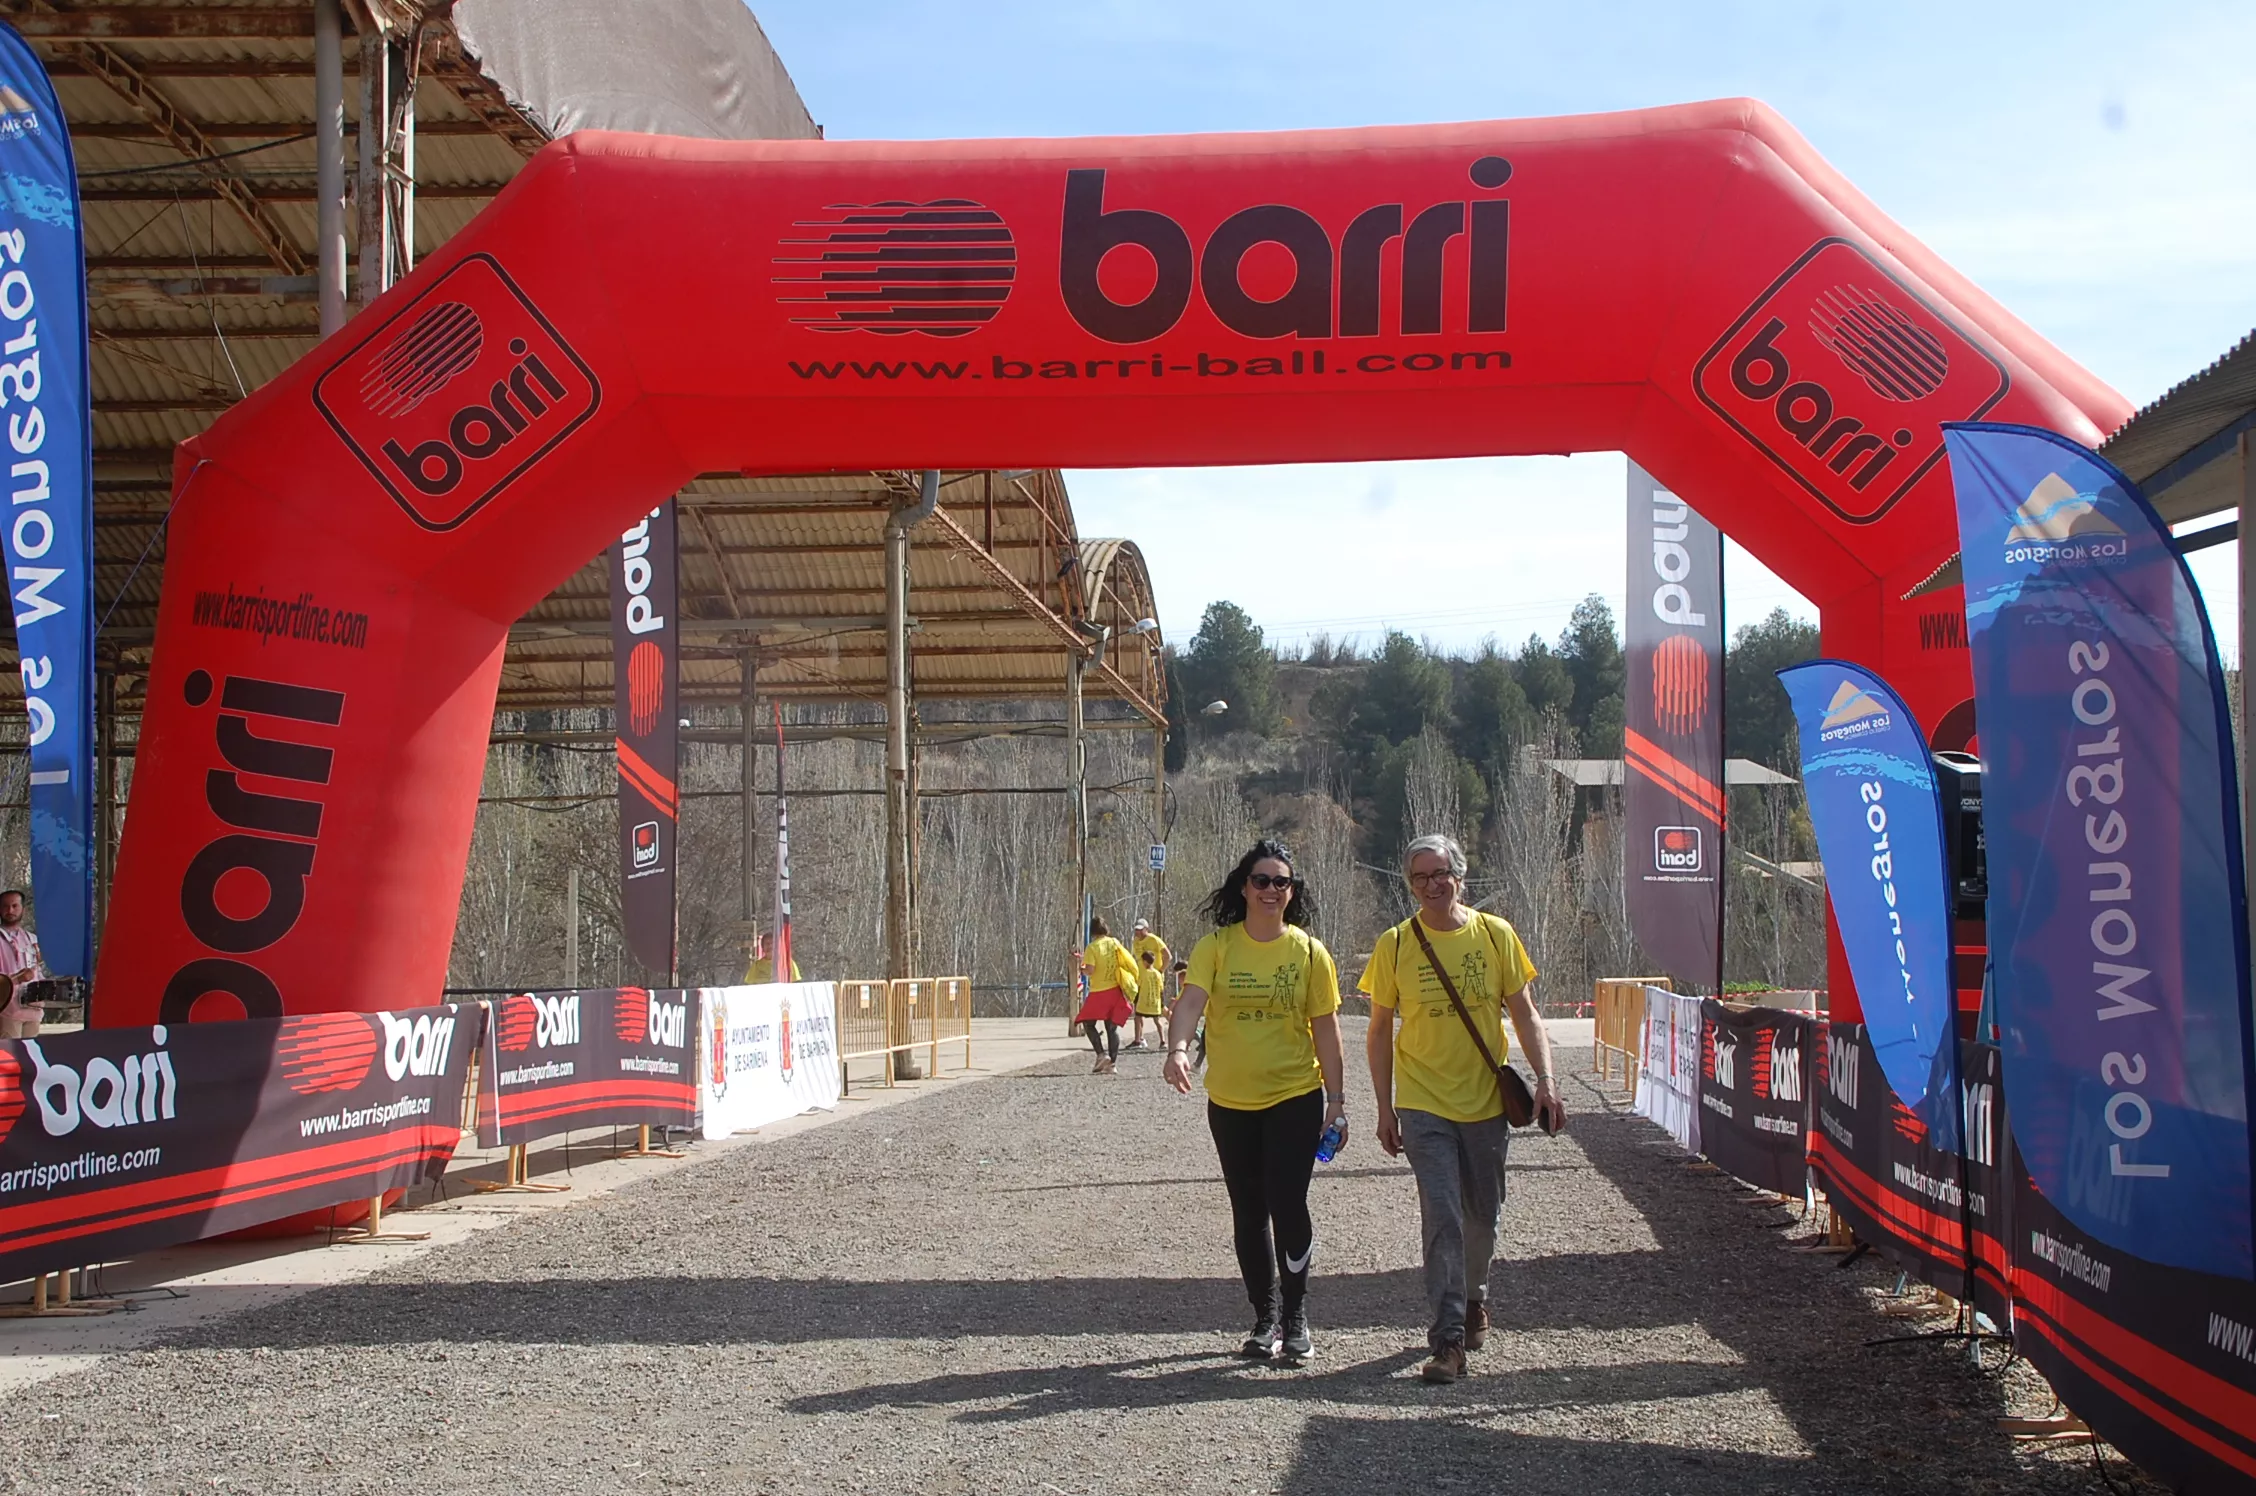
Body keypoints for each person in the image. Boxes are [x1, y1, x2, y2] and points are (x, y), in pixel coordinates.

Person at [1361, 833, 1565, 1385]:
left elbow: (1524, 1013)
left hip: (1486, 1105)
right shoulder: (1395, 945)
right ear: (1410, 885)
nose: (1431, 885)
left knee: (1482, 1215)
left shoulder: (1495, 935)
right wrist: (1384, 1107)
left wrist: (1546, 1081)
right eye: (1420, 877)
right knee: (1443, 1218)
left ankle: (1474, 1298)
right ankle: (1448, 1339)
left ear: (1460, 876)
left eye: (1440, 874)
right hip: (1422, 1103)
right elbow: (1378, 1032)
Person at [1164, 839, 1345, 1366]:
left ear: (1292, 892)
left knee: (1288, 1203)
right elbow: (1190, 1003)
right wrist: (1177, 1050)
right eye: (1261, 880)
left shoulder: (1309, 953)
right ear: (1243, 887)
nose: (1270, 889)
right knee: (1248, 1210)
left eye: (1280, 882)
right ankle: (1264, 1317)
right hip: (1230, 1101)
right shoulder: (1216, 947)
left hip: (1295, 1095)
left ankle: (1296, 1316)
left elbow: (1327, 1030)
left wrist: (1336, 1101)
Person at [1076, 915, 1137, 1074]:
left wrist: (1081, 968)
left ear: (1092, 931)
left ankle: (1101, 1055)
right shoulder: (1114, 942)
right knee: (1112, 1027)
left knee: (1087, 1023)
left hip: (1099, 991)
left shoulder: (1092, 947)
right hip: (1115, 989)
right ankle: (1112, 1064)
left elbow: (1090, 970)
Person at [0, 890, 46, 1039]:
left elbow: (38, 972)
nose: (10, 910)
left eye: (15, 906)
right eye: (5, 906)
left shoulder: (32, 939)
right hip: (7, 1011)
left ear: (23, 909)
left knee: (28, 1052)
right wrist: (16, 979)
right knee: (10, 1053)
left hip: (33, 1010)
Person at [1126, 949, 1167, 1051]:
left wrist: (1134, 1000)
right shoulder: (1158, 974)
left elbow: (1138, 987)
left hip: (1144, 1003)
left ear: (1145, 961)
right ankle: (1163, 1041)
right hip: (1155, 1003)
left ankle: (1137, 1040)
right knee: (1157, 1021)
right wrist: (1162, 1003)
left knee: (1137, 1019)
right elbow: (1161, 989)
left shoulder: (1143, 974)